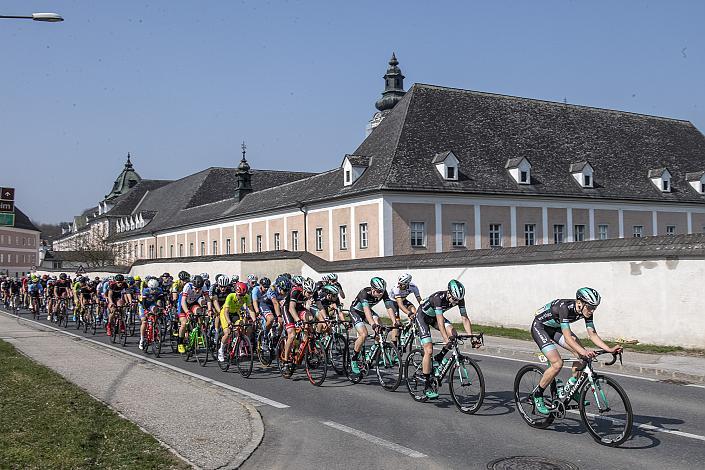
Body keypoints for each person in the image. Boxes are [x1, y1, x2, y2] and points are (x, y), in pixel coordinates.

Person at [530, 287, 622, 415]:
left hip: (556, 328)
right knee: (557, 364)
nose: (592, 310)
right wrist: (584, 351)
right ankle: (538, 394)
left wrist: (610, 349)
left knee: (582, 357)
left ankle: (571, 389)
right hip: (540, 328)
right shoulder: (565, 308)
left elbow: (593, 334)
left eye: (594, 308)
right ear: (579, 303)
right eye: (590, 307)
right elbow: (568, 337)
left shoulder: (587, 310)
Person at [415, 279, 477, 399]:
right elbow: (440, 322)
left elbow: (464, 318)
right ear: (449, 293)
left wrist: (471, 337)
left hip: (433, 317)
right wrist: (445, 339)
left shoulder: (459, 299)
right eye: (454, 299)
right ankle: (427, 385)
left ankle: (439, 357)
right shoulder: (439, 298)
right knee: (428, 349)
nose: (455, 302)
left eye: (458, 300)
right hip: (422, 316)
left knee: (454, 334)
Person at [348, 277, 397, 375]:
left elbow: (389, 307)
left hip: (367, 312)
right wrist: (373, 324)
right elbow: (366, 310)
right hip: (356, 312)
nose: (381, 294)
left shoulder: (383, 293)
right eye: (379, 291)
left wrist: (394, 322)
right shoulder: (364, 293)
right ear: (373, 289)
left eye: (382, 291)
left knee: (380, 326)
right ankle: (353, 359)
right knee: (364, 334)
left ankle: (372, 352)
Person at [217, 281, 255, 362]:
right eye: (240, 295)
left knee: (241, 326)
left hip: (235, 313)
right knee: (227, 333)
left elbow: (251, 309)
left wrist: (254, 320)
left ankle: (239, 348)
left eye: (243, 295)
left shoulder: (247, 297)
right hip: (225, 314)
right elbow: (226, 311)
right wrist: (229, 322)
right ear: (236, 292)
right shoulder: (230, 296)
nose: (242, 297)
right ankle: (221, 350)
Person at [139, 278, 165, 350]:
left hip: (151, 304)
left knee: (155, 313)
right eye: (152, 289)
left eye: (155, 289)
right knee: (144, 321)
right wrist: (145, 310)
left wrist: (164, 308)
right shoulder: (145, 291)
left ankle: (155, 329)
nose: (153, 291)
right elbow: (143, 303)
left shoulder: (159, 290)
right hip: (143, 305)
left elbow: (163, 300)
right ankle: (142, 339)